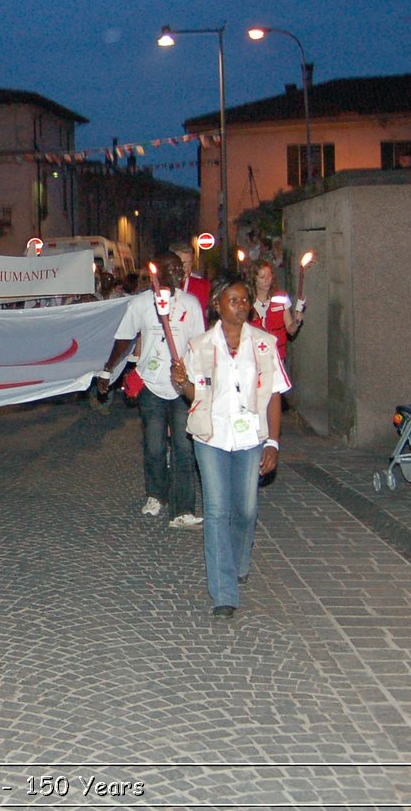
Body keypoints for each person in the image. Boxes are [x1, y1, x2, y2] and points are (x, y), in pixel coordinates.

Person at [172, 274, 290, 617]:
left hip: (251, 436)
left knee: (246, 510)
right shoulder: (200, 346)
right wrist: (183, 384)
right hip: (211, 436)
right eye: (233, 300)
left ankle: (239, 561)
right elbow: (197, 394)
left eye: (244, 300)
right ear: (217, 304)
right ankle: (223, 593)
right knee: (217, 511)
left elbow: (274, 396)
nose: (240, 306)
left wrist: (273, 443)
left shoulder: (265, 344)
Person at [98, 253, 206, 529]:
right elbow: (125, 338)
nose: (175, 274)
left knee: (184, 447)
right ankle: (156, 495)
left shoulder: (190, 304)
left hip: (182, 387)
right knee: (155, 445)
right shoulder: (141, 304)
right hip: (151, 383)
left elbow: (199, 345)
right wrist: (108, 369)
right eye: (168, 269)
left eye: (177, 270)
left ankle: (183, 508)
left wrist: (199, 381)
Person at [249, 260, 303, 362]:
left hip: (277, 356)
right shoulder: (247, 301)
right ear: (254, 279)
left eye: (269, 276)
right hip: (255, 358)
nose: (267, 280)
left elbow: (290, 330)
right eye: (262, 277)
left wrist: (296, 322)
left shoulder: (281, 297)